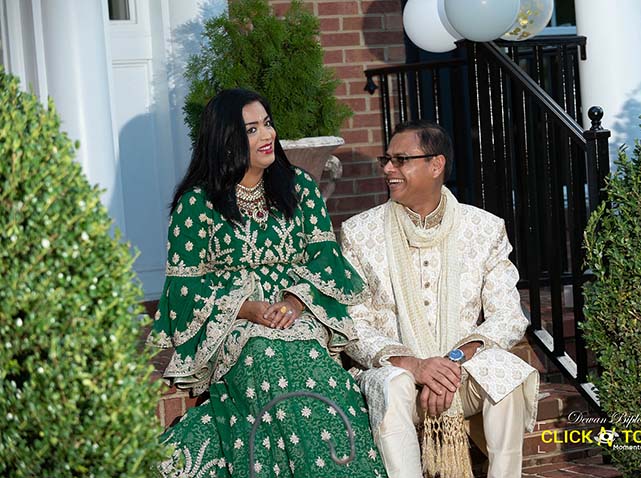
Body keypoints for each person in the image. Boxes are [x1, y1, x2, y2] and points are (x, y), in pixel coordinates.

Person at [147, 88, 387, 478]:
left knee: (312, 367)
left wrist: (293, 302)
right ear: (226, 141)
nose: (267, 135)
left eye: (268, 124)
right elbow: (184, 290)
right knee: (264, 354)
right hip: (233, 325)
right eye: (252, 129)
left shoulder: (300, 188)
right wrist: (246, 309)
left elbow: (326, 259)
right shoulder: (197, 204)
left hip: (299, 315)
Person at [340, 120, 539, 478]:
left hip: (458, 374)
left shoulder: (484, 229)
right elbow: (352, 322)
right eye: (386, 159)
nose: (388, 169)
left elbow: (509, 315)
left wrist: (451, 362)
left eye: (401, 160)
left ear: (436, 165)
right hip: (395, 375)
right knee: (394, 383)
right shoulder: (359, 232)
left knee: (506, 372)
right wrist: (415, 366)